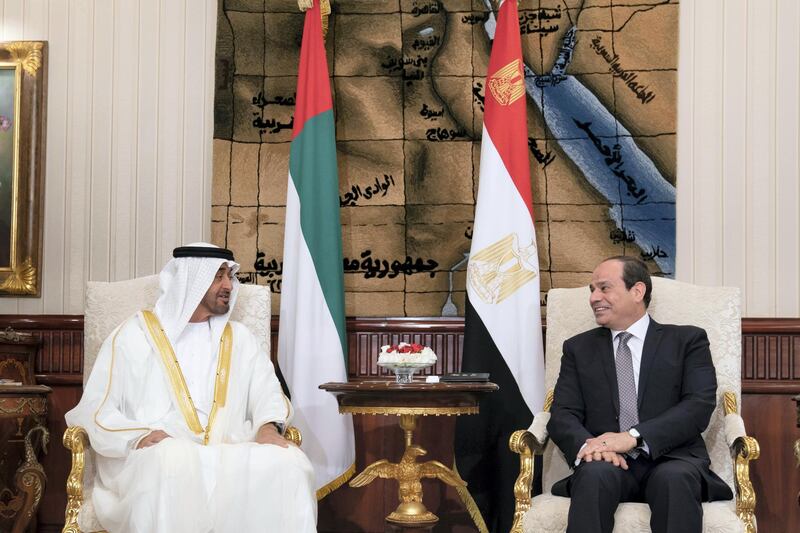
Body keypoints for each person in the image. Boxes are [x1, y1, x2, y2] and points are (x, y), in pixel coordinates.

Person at [65, 243, 316, 533]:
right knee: (171, 460)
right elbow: (97, 407)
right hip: (157, 455)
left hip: (228, 448)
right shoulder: (135, 335)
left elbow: (267, 392)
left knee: (290, 463)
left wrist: (267, 427)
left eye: (229, 277)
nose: (229, 286)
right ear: (191, 281)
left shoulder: (240, 338)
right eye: (218, 276)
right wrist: (139, 436)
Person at [546, 256, 732, 533]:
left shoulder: (687, 341)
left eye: (604, 288)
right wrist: (590, 447)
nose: (594, 297)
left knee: (675, 479)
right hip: (606, 462)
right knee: (594, 475)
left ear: (637, 291)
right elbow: (562, 414)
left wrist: (631, 437)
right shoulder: (578, 348)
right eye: (592, 290)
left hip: (673, 458)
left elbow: (698, 406)